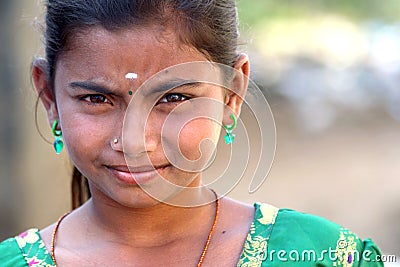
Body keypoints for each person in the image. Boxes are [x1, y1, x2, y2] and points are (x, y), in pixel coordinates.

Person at [0, 0, 383, 266]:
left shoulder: (320, 254)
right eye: (97, 98)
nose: (135, 141)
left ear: (232, 93)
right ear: (49, 95)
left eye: (174, 97)